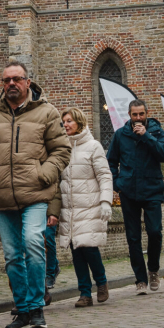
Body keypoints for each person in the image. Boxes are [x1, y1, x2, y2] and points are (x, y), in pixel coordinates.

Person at [0, 61, 71, 328]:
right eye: (7, 80)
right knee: (13, 256)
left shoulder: (46, 112)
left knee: (33, 243)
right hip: (3, 198)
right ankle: (23, 309)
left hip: (36, 194)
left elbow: (62, 150)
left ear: (28, 82)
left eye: (17, 79)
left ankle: (37, 307)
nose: (11, 84)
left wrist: (44, 174)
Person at [106, 99, 164, 295]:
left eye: (141, 114)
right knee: (133, 237)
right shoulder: (120, 135)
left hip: (152, 189)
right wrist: (117, 184)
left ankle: (153, 270)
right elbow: (111, 161)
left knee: (155, 232)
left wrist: (147, 137)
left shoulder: (156, 132)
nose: (138, 118)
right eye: (134, 114)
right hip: (129, 191)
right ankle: (140, 279)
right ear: (129, 115)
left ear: (146, 114)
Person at [58, 107, 113, 308]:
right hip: (70, 208)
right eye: (64, 121)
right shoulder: (62, 147)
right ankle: (84, 293)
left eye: (69, 121)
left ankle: (101, 282)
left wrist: (106, 201)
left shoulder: (93, 146)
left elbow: (104, 175)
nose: (66, 124)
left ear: (79, 122)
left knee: (89, 248)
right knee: (76, 252)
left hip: (89, 206)